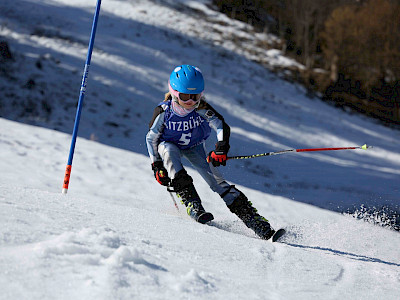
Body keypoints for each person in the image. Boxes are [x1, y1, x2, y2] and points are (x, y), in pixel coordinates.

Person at [146, 64, 275, 240]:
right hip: (169, 144)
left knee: (217, 182)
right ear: (174, 93)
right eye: (185, 97)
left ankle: (256, 222)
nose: (191, 102)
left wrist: (221, 148)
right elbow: (151, 138)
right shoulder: (164, 111)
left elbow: (220, 125)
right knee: (169, 153)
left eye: (195, 96)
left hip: (195, 146)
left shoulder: (202, 109)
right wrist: (157, 165)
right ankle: (192, 204)